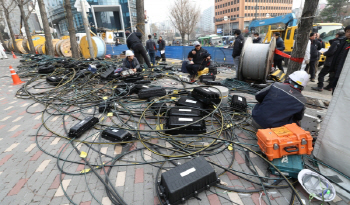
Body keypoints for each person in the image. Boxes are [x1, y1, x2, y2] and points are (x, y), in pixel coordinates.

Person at [329, 25, 350, 93]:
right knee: (335, 88)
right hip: (338, 71)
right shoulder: (343, 42)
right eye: (347, 31)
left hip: (346, 74)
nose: (349, 33)